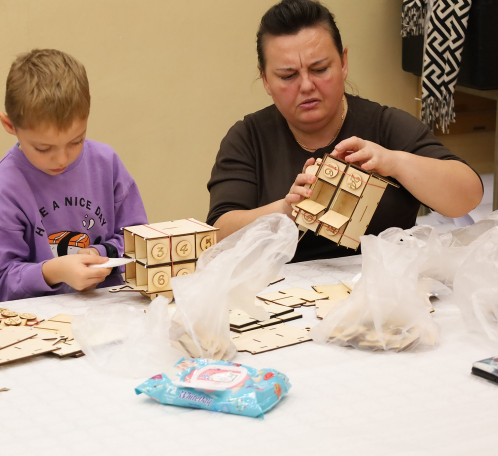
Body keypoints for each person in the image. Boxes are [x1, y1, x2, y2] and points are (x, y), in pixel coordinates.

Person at [207, 0, 483, 262]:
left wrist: (393, 161)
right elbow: (217, 236)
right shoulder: (248, 138)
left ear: (343, 63)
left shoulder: (384, 125)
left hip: (383, 291)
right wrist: (286, 210)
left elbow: (467, 198)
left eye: (319, 69)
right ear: (266, 80)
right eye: (288, 76)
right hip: (276, 296)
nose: (306, 86)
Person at [0, 49, 148, 302]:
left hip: (110, 310)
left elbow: (138, 241)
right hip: (34, 323)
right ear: (10, 125)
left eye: (76, 141)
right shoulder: (3, 186)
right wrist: (54, 271)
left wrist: (98, 253)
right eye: (43, 148)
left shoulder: (105, 163)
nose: (62, 159)